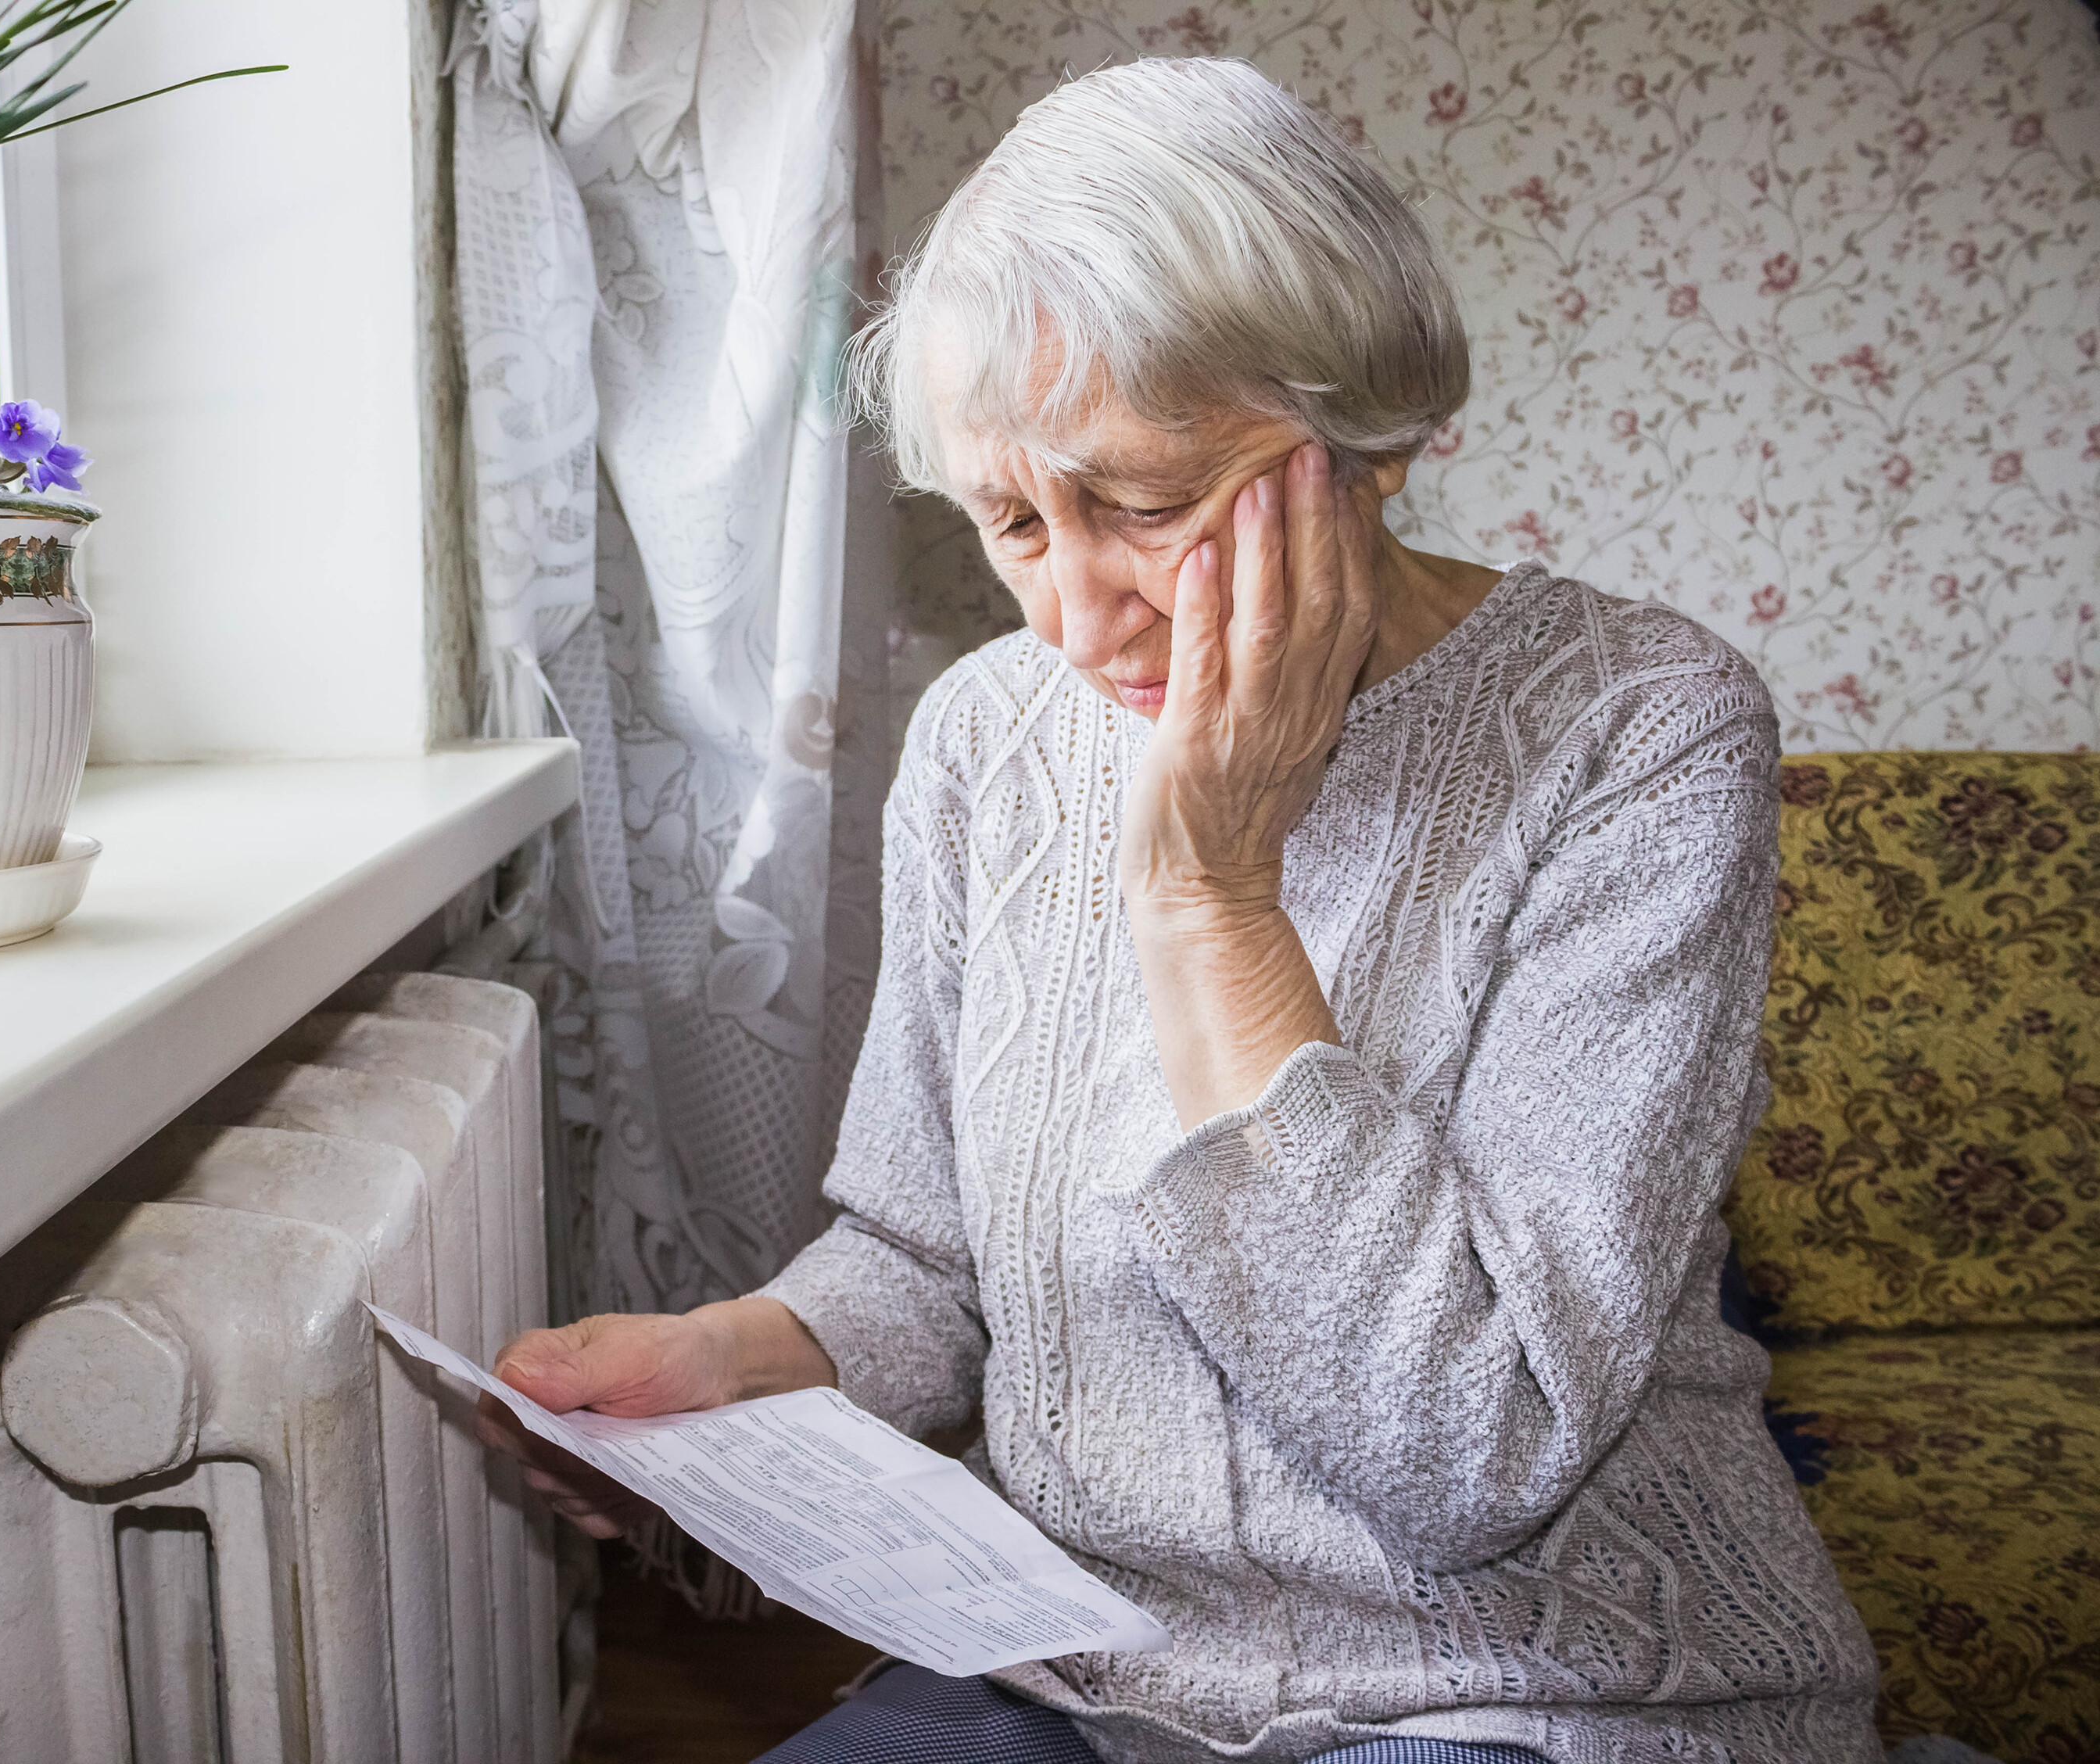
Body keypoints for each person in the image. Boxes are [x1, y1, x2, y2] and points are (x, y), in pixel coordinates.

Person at [480, 56, 1883, 1764]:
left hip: (1525, 1691)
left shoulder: (1640, 733)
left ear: (1364, 438)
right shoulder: (989, 739)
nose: (1076, 614)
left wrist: (1210, 898)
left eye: (1143, 508)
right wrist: (740, 1354)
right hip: (1077, 1668)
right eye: (1011, 521)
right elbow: (930, 1260)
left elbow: (1471, 1452)